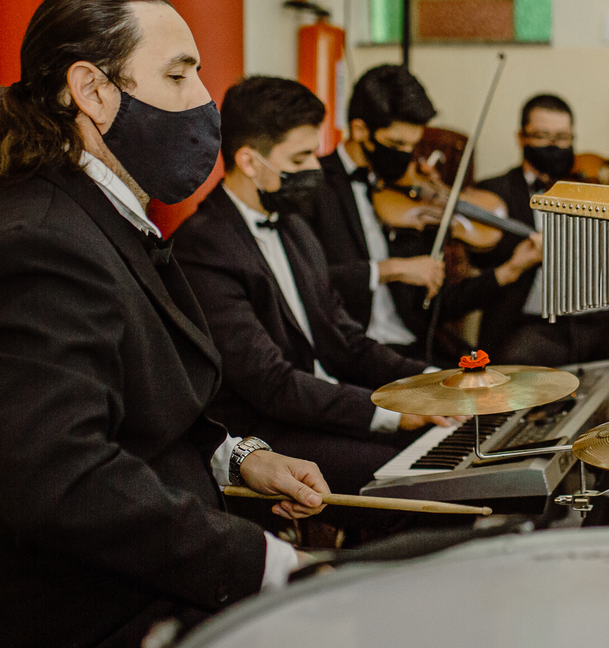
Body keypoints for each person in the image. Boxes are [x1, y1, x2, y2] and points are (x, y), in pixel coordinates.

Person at [0, 0, 328, 648]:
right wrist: (260, 560)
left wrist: (238, 457)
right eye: (179, 74)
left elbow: (136, 406)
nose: (204, 100)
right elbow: (64, 480)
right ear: (94, 91)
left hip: (144, 604)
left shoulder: (97, 220)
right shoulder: (39, 245)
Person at [173, 75, 457, 498]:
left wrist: (433, 384)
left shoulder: (296, 230)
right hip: (263, 437)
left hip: (319, 410)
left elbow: (347, 341)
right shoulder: (203, 246)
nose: (315, 168)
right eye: (302, 156)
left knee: (453, 454)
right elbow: (271, 383)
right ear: (250, 162)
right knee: (418, 485)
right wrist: (393, 412)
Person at [309, 64, 542, 363]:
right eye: (396, 144)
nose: (407, 157)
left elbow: (435, 307)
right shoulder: (316, 187)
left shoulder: (411, 199)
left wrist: (509, 271)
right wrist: (391, 269)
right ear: (360, 130)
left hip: (415, 350)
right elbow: (307, 282)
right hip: (354, 356)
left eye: (413, 145)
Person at [472, 94, 609, 368]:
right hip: (538, 324)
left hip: (606, 319)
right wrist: (520, 259)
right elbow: (478, 260)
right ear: (522, 138)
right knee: (515, 365)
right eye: (542, 136)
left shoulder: (595, 187)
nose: (554, 146)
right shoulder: (493, 192)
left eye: (563, 138)